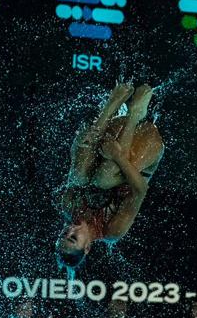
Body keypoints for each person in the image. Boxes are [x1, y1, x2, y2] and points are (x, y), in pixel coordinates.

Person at [55, 82, 164, 278]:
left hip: (111, 136)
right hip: (146, 145)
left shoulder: (68, 205)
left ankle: (110, 106)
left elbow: (76, 154)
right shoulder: (112, 230)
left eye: (64, 234)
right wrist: (118, 156)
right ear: (87, 247)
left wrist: (84, 140)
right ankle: (135, 113)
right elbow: (141, 190)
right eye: (73, 238)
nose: (70, 230)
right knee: (104, 179)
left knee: (79, 176)